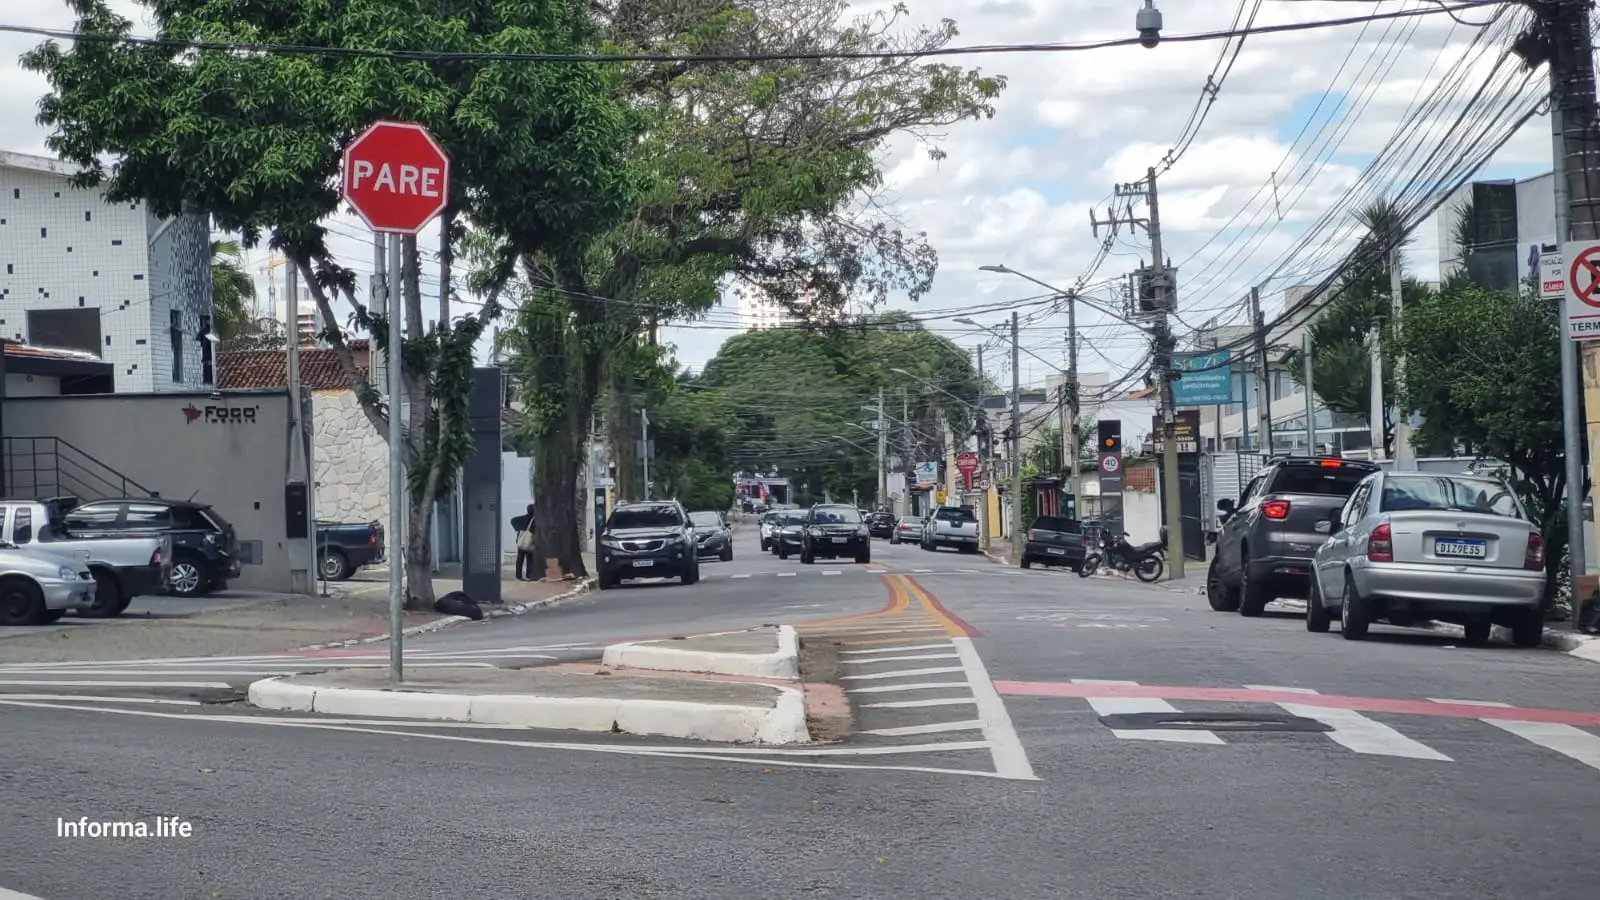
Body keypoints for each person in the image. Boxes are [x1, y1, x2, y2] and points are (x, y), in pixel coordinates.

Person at [510, 504, 536, 581]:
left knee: (520, 559)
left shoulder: (523, 518)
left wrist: (517, 528)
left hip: (521, 541)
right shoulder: (534, 520)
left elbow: (513, 520)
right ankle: (529, 575)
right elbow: (534, 530)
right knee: (530, 559)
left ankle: (518, 575)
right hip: (529, 542)